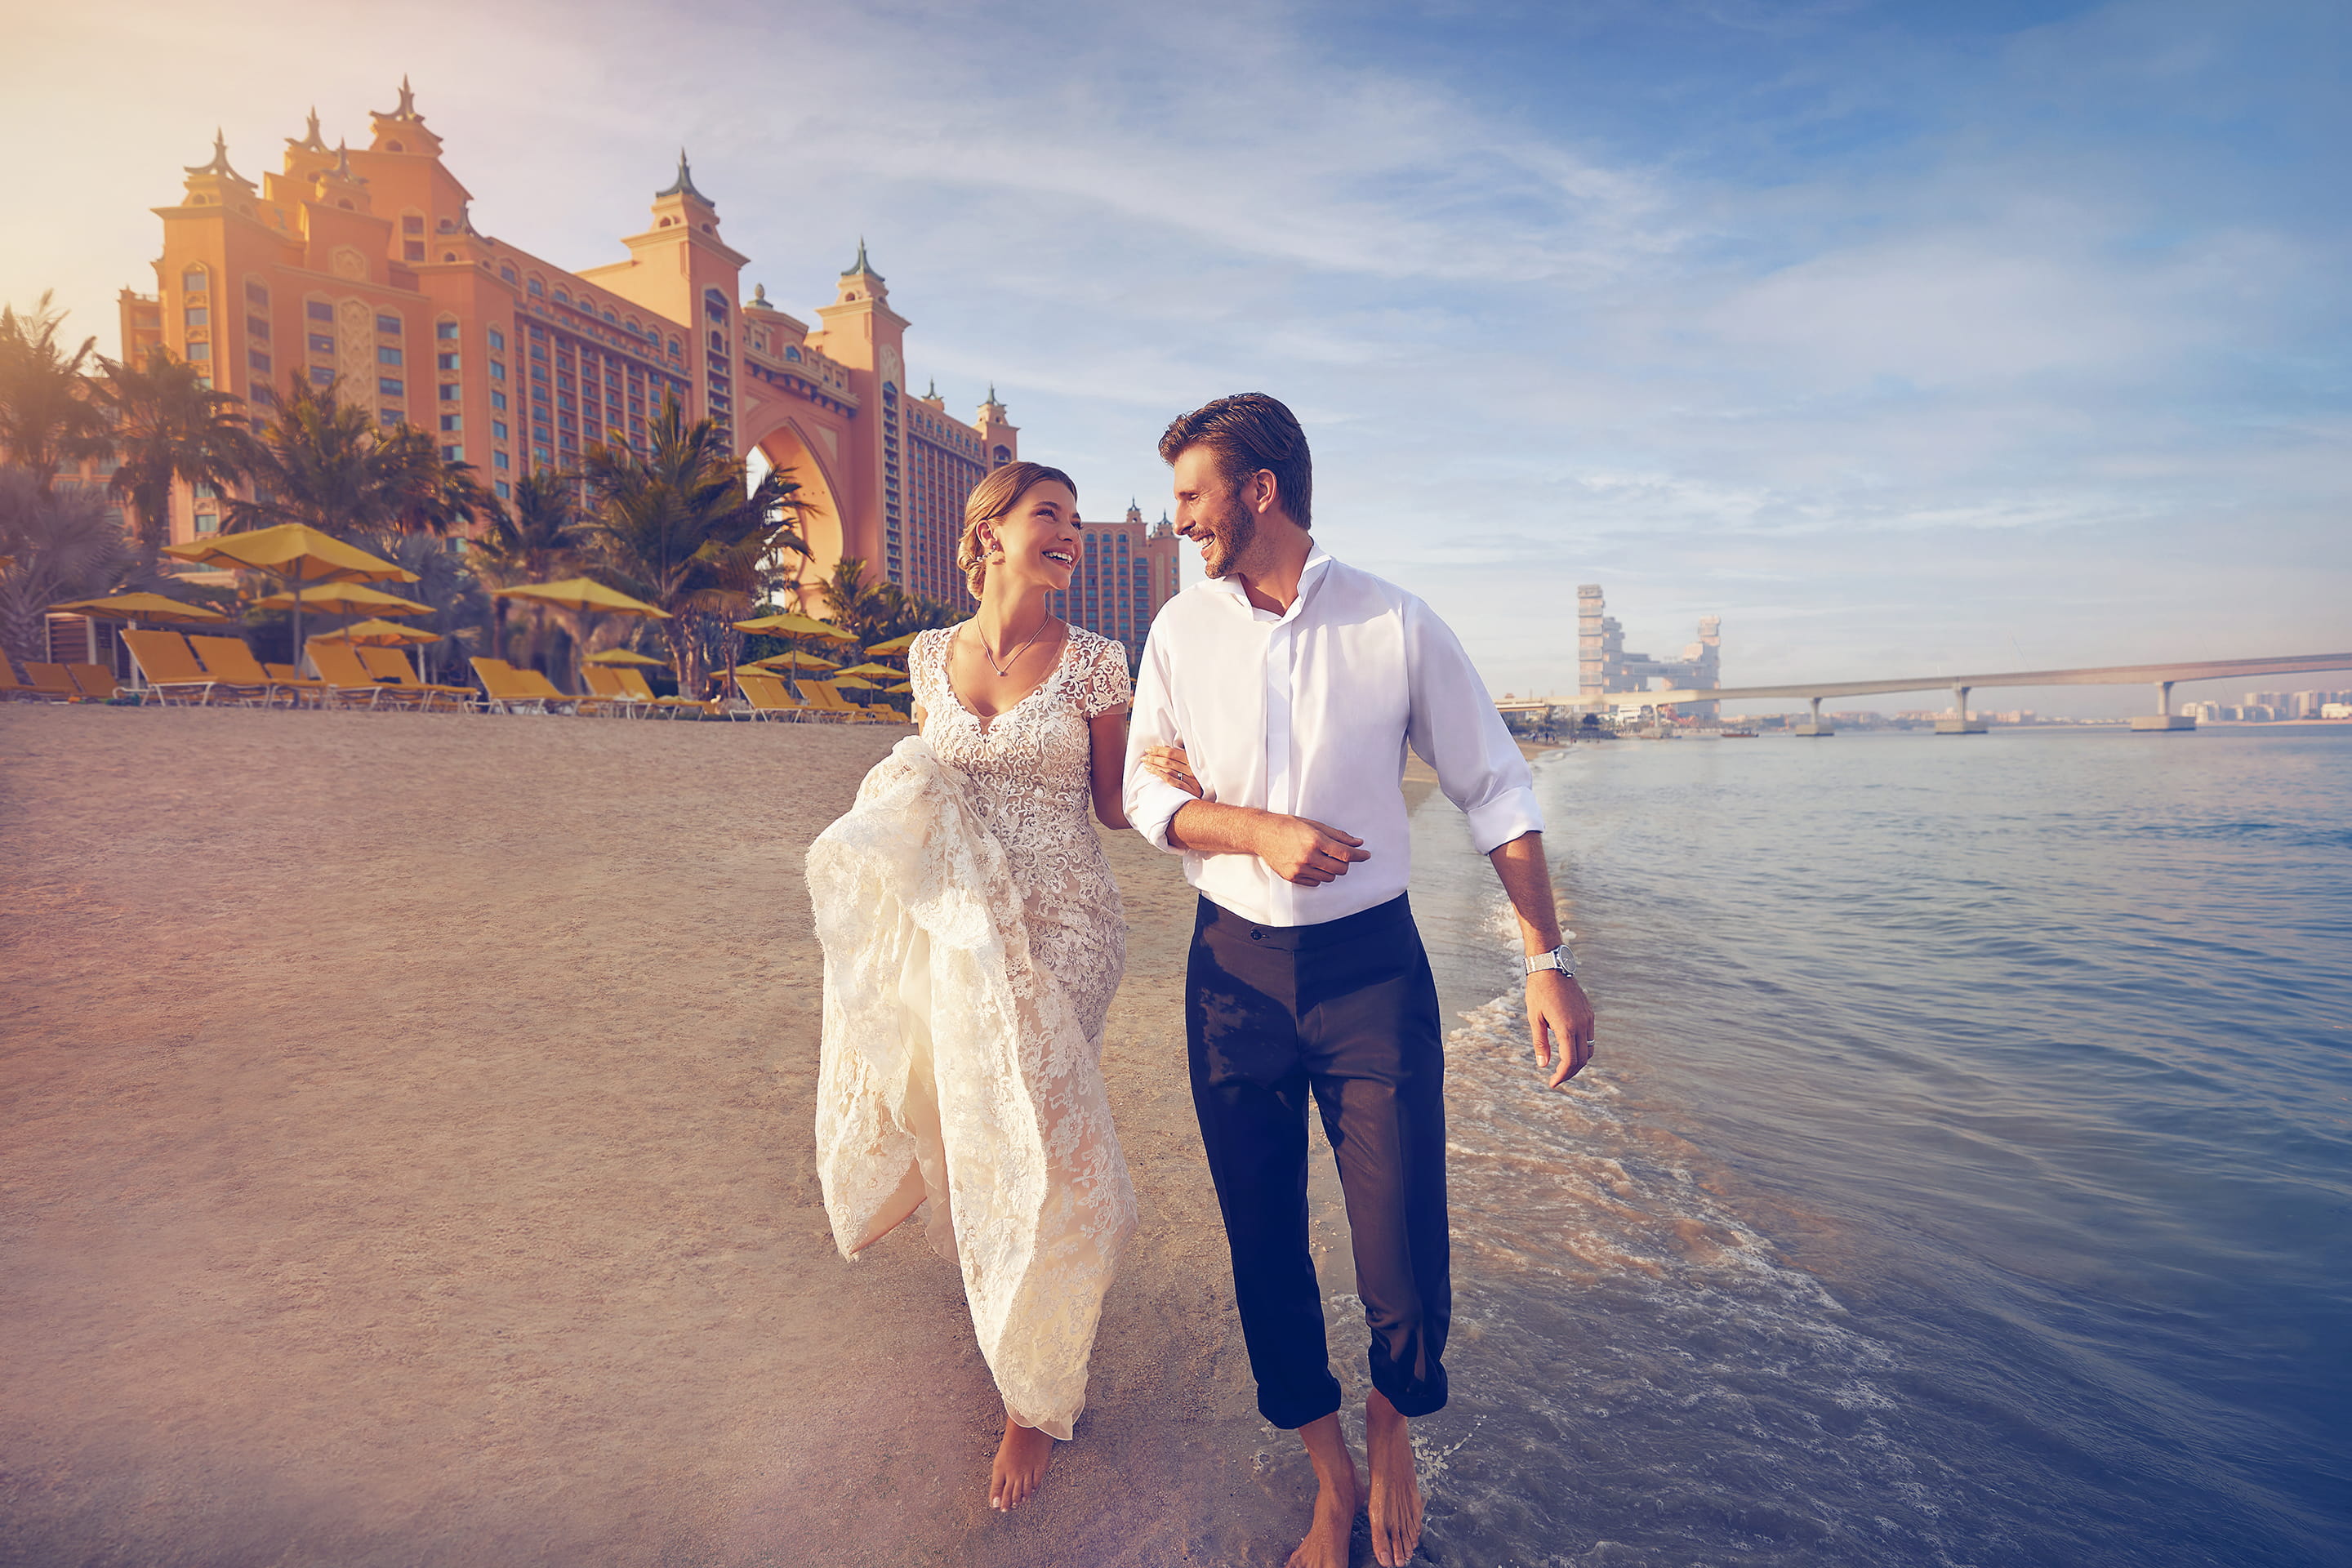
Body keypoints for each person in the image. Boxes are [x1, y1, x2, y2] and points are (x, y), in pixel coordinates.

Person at [1125, 394, 1597, 1568]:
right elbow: (1143, 793)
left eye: (1194, 495)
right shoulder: (1180, 632)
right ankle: (1329, 1478)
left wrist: (1546, 961)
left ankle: (1396, 1419)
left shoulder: (1394, 621)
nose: (1181, 520)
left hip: (1368, 972)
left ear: (1260, 490)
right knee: (1265, 1242)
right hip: (1230, 970)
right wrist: (1250, 829)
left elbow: (1495, 786)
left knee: (1398, 1239)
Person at [805, 461, 1138, 1513]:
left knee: (1035, 1129)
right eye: (1050, 515)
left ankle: (1031, 1404)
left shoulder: (1095, 663)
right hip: (962, 922)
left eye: (1076, 522)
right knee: (973, 1127)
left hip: (1067, 927)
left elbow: (1119, 812)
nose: (1070, 534)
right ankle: (1012, 1307)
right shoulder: (925, 654)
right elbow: (931, 778)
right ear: (988, 532)